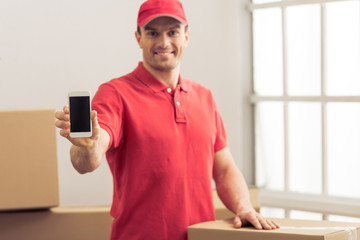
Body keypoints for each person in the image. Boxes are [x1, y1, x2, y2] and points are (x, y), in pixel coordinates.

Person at [55, 0, 279, 239]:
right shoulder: (115, 93)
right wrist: (88, 147)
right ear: (138, 38)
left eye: (172, 32)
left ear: (186, 36)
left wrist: (243, 206)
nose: (164, 42)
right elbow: (90, 155)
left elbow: (224, 170)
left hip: (198, 236)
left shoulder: (204, 97)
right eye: (153, 33)